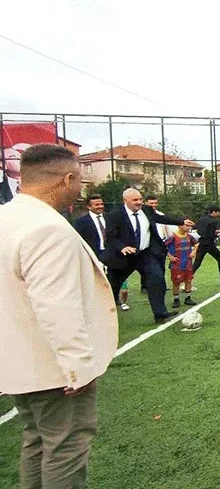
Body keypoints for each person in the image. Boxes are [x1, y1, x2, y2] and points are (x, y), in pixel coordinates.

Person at [0, 144, 118, 488]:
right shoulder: (49, 229)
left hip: (19, 363)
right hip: (52, 369)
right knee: (65, 448)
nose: (81, 188)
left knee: (37, 440)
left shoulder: (7, 217)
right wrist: (78, 368)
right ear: (68, 179)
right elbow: (57, 306)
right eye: (80, 179)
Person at [101, 188, 194, 323]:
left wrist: (181, 221)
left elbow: (162, 218)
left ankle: (160, 314)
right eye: (135, 200)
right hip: (124, 257)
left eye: (140, 199)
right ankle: (102, 313)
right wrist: (122, 247)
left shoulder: (146, 210)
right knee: (112, 286)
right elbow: (111, 236)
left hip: (144, 254)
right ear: (125, 201)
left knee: (157, 279)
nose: (139, 202)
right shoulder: (115, 215)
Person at [193, 205, 220, 285]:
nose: (219, 215)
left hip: (201, 243)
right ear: (213, 212)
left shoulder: (201, 218)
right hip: (209, 244)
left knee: (197, 262)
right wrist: (217, 234)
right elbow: (210, 234)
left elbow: (201, 231)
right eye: (218, 213)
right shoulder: (213, 221)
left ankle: (186, 281)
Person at [165, 220, 199, 309]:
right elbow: (163, 246)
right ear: (180, 226)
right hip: (177, 263)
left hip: (187, 262)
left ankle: (188, 297)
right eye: (186, 226)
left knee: (188, 280)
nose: (189, 227)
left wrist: (194, 252)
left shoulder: (189, 236)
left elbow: (196, 244)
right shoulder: (173, 236)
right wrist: (170, 256)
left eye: (189, 226)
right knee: (176, 281)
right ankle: (176, 299)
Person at [73, 194, 107, 258]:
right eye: (97, 205)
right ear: (89, 207)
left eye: (102, 204)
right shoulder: (81, 222)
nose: (100, 206)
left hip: (110, 254)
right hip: (92, 255)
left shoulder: (109, 218)